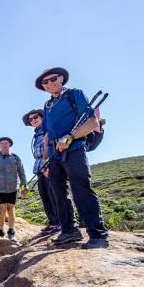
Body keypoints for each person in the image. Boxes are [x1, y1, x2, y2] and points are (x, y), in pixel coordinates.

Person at [36, 67, 109, 249]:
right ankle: (69, 231)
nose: (49, 83)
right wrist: (46, 159)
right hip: (54, 154)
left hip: (74, 148)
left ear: (61, 78)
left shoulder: (74, 94)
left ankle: (97, 234)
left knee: (81, 188)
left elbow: (92, 122)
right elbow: (47, 135)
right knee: (58, 193)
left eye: (53, 79)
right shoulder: (47, 105)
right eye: (45, 82)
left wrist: (70, 137)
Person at [22, 109, 60, 234]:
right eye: (30, 119)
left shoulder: (48, 129)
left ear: (42, 117)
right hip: (39, 167)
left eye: (35, 117)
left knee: (53, 194)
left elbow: (51, 147)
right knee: (44, 195)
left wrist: (47, 164)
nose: (33, 120)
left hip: (49, 165)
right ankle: (52, 222)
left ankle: (60, 223)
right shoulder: (37, 133)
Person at [0, 137, 28, 241]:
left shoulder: (15, 158)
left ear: (9, 144)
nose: (4, 145)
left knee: (10, 209)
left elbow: (21, 173)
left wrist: (25, 186)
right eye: (2, 143)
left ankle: (11, 231)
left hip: (13, 188)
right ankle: (0, 230)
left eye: (6, 143)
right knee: (1, 209)